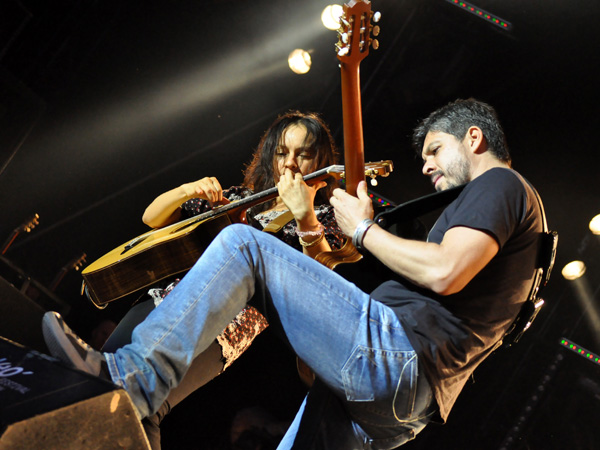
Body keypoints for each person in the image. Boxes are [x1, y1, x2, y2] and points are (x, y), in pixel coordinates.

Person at [42, 99, 546, 449]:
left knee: (242, 244)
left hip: (396, 355)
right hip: (407, 407)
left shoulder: (500, 182)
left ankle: (131, 378)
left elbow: (444, 272)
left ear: (473, 137)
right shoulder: (511, 213)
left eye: (435, 151)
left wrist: (363, 228)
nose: (428, 166)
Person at [98, 110, 345, 448]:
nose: (290, 163)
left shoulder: (325, 217)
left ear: (320, 159)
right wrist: (188, 189)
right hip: (165, 300)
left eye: (303, 153)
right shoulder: (242, 199)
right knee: (96, 384)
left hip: (222, 330)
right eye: (282, 152)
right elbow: (151, 217)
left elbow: (318, 280)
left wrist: (304, 214)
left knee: (144, 408)